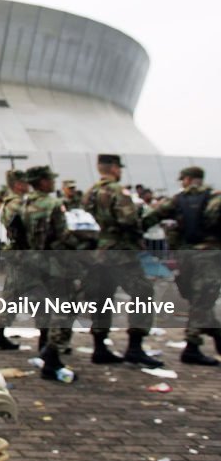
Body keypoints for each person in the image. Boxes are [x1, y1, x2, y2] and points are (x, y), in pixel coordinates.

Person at [81, 154, 162, 367]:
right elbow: (129, 220)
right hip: (120, 253)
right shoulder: (118, 191)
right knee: (143, 293)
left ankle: (100, 347)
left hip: (97, 253)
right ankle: (135, 347)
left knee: (102, 299)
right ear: (115, 168)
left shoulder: (90, 192)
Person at [142, 166, 221, 365]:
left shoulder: (177, 200)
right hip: (209, 255)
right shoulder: (215, 198)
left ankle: (218, 337)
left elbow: (151, 216)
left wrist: (135, 235)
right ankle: (192, 347)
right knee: (203, 299)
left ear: (189, 179)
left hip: (185, 255)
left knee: (198, 298)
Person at [19, 166, 88, 382]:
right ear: (41, 182)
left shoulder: (24, 204)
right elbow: (63, 237)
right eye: (50, 179)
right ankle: (52, 356)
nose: (53, 183)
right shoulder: (54, 205)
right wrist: (84, 242)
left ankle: (46, 350)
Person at [0, 170, 30, 350]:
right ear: (18, 184)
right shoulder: (17, 203)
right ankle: (50, 343)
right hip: (23, 255)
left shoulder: (12, 202)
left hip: (19, 254)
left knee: (14, 295)